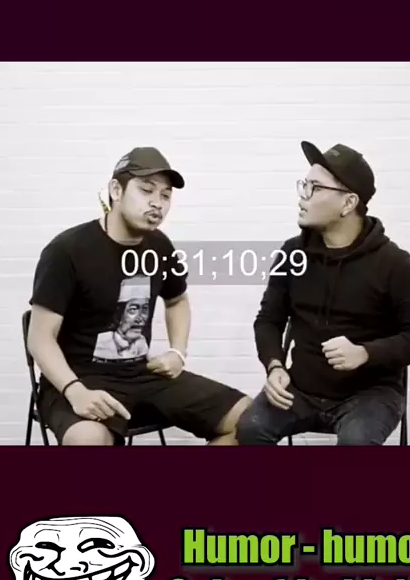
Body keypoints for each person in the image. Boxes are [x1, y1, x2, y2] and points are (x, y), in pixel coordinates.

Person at [27, 146, 251, 446]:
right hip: (76, 379)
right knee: (87, 440)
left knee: (252, 420)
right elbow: (39, 338)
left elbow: (177, 301)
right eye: (146, 190)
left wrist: (177, 352)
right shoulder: (66, 250)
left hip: (140, 374)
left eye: (165, 195)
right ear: (116, 191)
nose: (157, 203)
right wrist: (75, 390)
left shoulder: (160, 246)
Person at [236, 141, 410, 446]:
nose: (303, 196)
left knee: (355, 443)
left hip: (370, 394)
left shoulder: (395, 264)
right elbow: (268, 320)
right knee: (251, 428)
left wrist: (366, 352)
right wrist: (274, 365)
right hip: (302, 389)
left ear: (348, 203)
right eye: (305, 185)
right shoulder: (292, 254)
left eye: (315, 188)